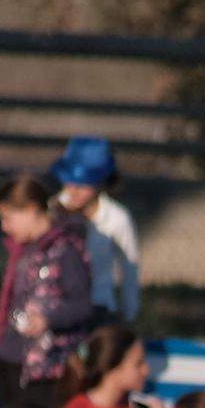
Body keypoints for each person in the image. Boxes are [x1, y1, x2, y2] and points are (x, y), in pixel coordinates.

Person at [0, 172, 96, 408]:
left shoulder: (65, 250)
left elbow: (82, 306)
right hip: (11, 354)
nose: (4, 226)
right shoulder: (23, 251)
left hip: (46, 364)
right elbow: (12, 302)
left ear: (31, 210)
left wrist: (47, 320)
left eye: (7, 218)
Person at [48, 137, 141, 325]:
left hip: (100, 307)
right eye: (69, 181)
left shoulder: (117, 218)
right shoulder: (52, 210)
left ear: (100, 182)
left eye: (82, 184)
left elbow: (130, 268)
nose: (73, 191)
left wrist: (129, 313)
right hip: (59, 306)